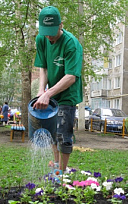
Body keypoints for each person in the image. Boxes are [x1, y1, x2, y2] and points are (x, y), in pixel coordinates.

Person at [33, 6, 83, 174]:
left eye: (52, 31)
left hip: (68, 93)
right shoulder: (41, 39)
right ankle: (56, 165)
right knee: (52, 131)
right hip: (52, 92)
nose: (49, 36)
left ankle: (62, 173)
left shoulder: (71, 44)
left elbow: (71, 76)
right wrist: (41, 90)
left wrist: (48, 93)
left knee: (63, 133)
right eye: (45, 31)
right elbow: (43, 67)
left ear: (61, 25)